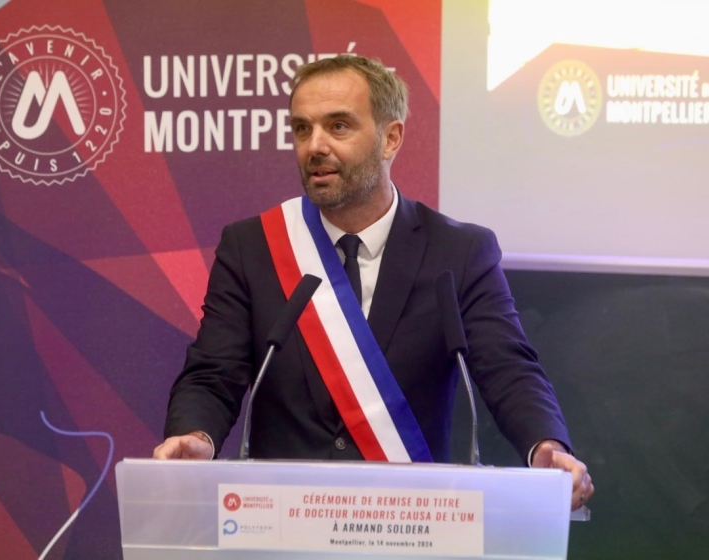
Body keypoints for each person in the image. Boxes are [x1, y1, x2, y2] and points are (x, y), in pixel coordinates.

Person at [153, 55, 593, 511]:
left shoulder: (459, 252)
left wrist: (543, 444)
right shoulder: (253, 246)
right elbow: (213, 371)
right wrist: (195, 434)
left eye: (338, 126)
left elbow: (508, 369)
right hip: (283, 519)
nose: (314, 147)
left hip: (410, 523)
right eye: (302, 129)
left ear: (391, 138)